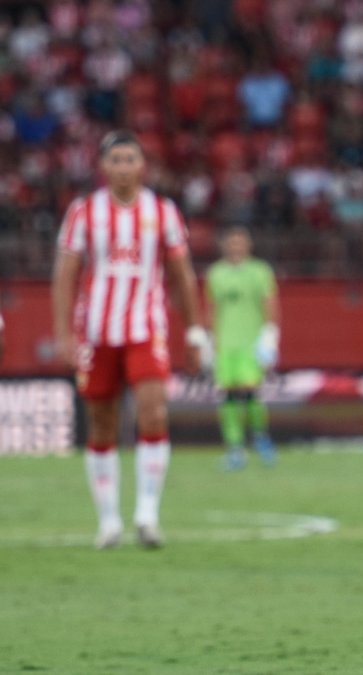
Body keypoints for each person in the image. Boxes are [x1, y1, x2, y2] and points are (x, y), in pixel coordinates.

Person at [51, 130, 209, 549]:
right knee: (102, 422)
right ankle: (108, 521)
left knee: (152, 412)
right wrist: (64, 333)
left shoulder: (163, 212)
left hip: (146, 329)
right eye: (115, 160)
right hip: (96, 332)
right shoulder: (84, 212)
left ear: (143, 166)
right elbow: (66, 274)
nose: (123, 167)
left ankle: (147, 515)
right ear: (103, 167)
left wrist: (194, 331)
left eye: (130, 159)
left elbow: (182, 275)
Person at [205, 226, 280, 469]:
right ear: (224, 246)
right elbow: (211, 309)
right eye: (232, 242)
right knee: (227, 394)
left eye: (240, 242)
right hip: (226, 344)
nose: (236, 247)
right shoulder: (216, 274)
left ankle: (260, 437)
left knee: (250, 392)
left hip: (251, 342)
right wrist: (209, 340)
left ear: (249, 245)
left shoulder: (260, 271)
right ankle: (234, 448)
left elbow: (270, 304)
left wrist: (269, 336)